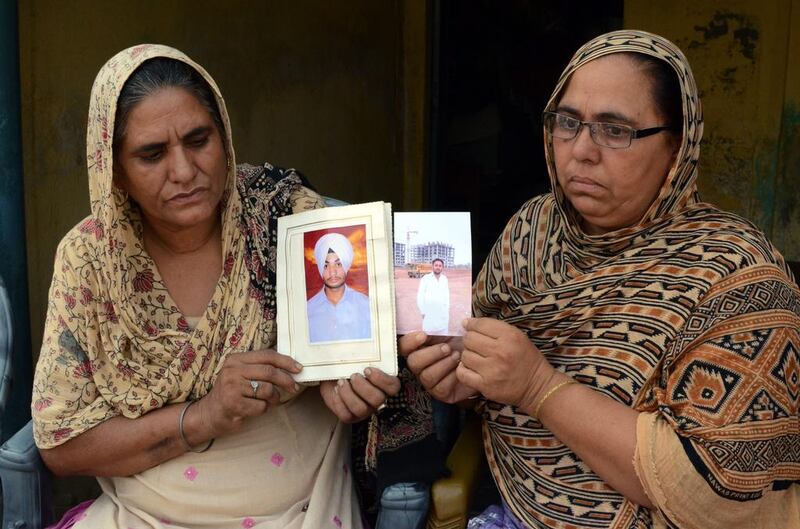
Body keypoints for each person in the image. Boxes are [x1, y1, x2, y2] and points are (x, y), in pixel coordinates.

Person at [400, 30, 800, 529]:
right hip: (514, 508)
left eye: (615, 130)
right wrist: (463, 377)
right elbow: (488, 375)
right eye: (567, 122)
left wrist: (538, 385)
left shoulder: (738, 275)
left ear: (677, 145)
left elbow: (711, 492)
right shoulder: (534, 229)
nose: (582, 150)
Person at [30, 44, 402, 529]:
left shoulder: (282, 217)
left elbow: (356, 346)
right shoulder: (91, 261)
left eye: (198, 140)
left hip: (294, 507)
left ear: (224, 136)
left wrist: (346, 383)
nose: (184, 171)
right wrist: (203, 417)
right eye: (152, 154)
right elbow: (62, 443)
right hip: (141, 513)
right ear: (114, 170)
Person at [307, 232, 372, 343]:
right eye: (326, 265)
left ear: (346, 266)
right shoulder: (308, 309)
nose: (332, 272)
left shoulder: (366, 305)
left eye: (338, 264)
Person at [416, 258, 450, 335]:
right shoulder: (426, 278)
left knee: (443, 336)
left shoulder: (444, 279)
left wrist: (447, 310)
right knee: (428, 337)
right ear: (433, 266)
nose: (438, 267)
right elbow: (420, 296)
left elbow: (447, 296)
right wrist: (422, 311)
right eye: (436, 265)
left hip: (442, 314)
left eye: (440, 266)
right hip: (429, 313)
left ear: (442, 267)